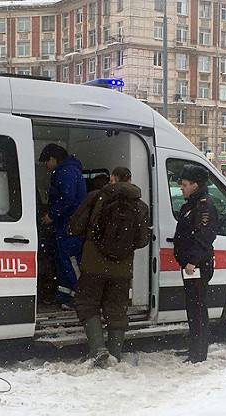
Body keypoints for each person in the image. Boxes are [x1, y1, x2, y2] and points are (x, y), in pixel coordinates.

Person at [70, 167, 150, 367]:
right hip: (122, 269)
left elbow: (75, 226)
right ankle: (115, 355)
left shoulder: (96, 197)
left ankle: (98, 349)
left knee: (87, 303)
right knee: (116, 309)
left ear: (112, 179)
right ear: (130, 179)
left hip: (93, 265)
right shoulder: (140, 206)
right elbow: (142, 240)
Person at [173, 164, 219, 364]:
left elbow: (204, 237)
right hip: (190, 266)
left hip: (197, 266)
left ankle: (199, 353)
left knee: (198, 309)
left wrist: (192, 261)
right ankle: (194, 348)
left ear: (195, 184)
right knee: (192, 307)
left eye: (184, 184)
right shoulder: (191, 204)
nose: (181, 188)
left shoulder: (204, 206)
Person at [39, 143, 87, 309]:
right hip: (66, 225)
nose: (46, 166)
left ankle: (81, 297)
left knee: (70, 261)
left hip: (69, 226)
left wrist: (51, 215)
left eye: (46, 162)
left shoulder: (65, 172)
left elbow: (67, 198)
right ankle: (64, 296)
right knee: (64, 261)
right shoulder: (69, 170)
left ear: (53, 159)